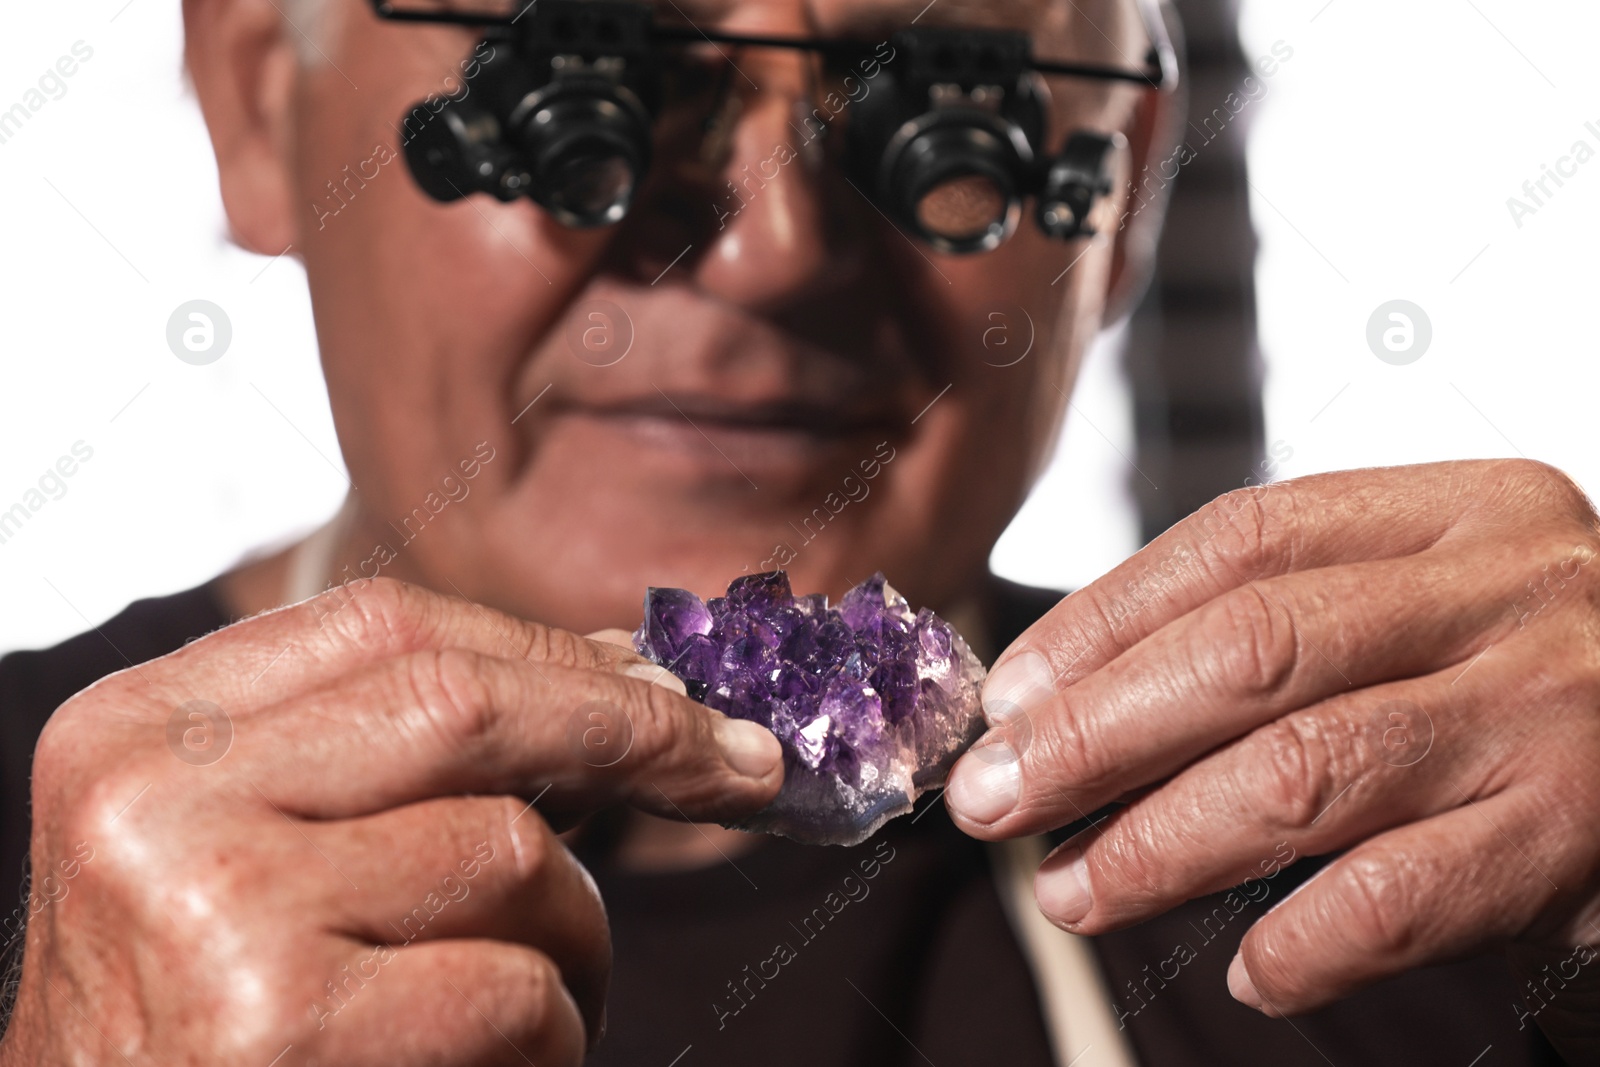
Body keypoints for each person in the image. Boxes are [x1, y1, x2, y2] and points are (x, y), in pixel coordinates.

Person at [0, 0, 1595, 1062]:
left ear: (1133, 197)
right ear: (253, 98)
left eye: (941, 114)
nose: (771, 247)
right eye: (586, 91)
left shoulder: (1410, 878)